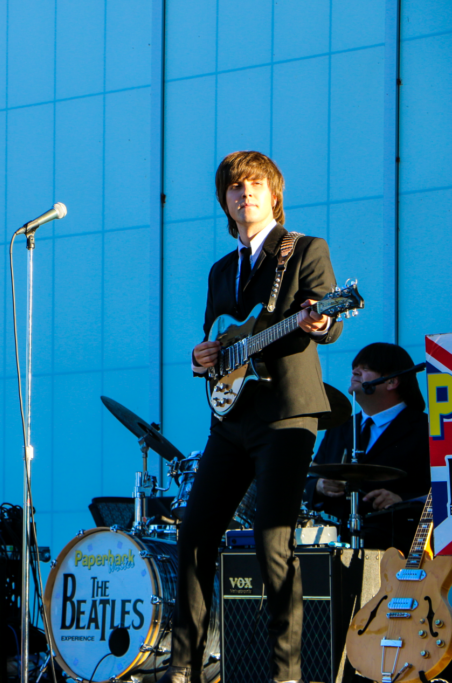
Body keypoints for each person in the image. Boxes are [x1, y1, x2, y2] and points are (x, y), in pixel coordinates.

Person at [161, 151, 343, 683]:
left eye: (256, 184)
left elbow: (328, 323)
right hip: (232, 419)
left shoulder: (304, 249)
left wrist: (319, 322)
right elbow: (220, 340)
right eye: (236, 188)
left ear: (275, 193)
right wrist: (202, 359)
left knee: (272, 540)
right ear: (225, 202)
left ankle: (285, 674)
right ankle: (183, 668)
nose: (247, 194)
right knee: (193, 534)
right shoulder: (221, 270)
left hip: (287, 412)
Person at [304, 342, 429, 553]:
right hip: (334, 545)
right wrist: (319, 486)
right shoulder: (339, 427)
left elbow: (443, 492)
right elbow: (308, 478)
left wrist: (402, 501)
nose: (355, 372)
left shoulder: (426, 429)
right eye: (355, 367)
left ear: (392, 382)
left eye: (366, 368)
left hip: (396, 547)